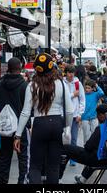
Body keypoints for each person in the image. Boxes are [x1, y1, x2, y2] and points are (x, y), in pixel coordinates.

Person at [13, 53, 74, 184]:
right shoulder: (61, 85)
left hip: (39, 124)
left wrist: (18, 135)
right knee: (54, 166)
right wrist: (67, 127)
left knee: (35, 166)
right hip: (57, 124)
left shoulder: (32, 85)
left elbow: (25, 112)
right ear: (52, 67)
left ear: (37, 69)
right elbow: (69, 111)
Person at [0, 57, 29, 184]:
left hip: (6, 127)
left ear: (8, 69)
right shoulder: (25, 86)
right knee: (23, 157)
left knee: (4, 156)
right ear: (20, 68)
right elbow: (29, 109)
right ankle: (22, 181)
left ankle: (1, 181)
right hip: (21, 126)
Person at [60, 104, 107, 184]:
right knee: (92, 152)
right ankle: (82, 179)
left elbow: (88, 146)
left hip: (97, 160)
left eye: (98, 115)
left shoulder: (101, 128)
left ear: (101, 115)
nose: (97, 117)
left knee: (66, 149)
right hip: (106, 160)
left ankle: (58, 178)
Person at [63, 65, 86, 166]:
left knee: (73, 138)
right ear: (66, 73)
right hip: (64, 115)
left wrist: (80, 113)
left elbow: (82, 99)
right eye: (69, 72)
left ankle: (72, 158)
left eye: (72, 72)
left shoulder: (78, 83)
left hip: (75, 115)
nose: (71, 75)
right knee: (65, 137)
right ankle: (65, 156)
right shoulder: (62, 83)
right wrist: (73, 94)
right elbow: (62, 97)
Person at [81, 79, 105, 144]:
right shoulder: (82, 95)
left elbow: (102, 93)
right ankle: (86, 147)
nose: (87, 89)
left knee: (94, 134)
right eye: (86, 88)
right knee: (86, 135)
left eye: (89, 88)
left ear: (92, 88)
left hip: (94, 117)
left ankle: (94, 147)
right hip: (84, 117)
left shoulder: (96, 94)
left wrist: (97, 86)